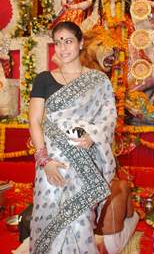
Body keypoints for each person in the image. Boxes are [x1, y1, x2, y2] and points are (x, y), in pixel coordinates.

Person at [29, 21, 117, 253]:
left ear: (80, 44)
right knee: (48, 219)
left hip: (84, 162)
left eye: (68, 41)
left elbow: (108, 118)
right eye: (58, 42)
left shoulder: (98, 81)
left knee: (80, 222)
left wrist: (92, 134)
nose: (62, 47)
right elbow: (35, 121)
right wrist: (44, 160)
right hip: (52, 163)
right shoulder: (44, 79)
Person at [95, 179, 139, 254]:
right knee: (135, 215)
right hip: (111, 246)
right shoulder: (123, 184)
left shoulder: (93, 185)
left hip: (92, 242)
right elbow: (130, 214)